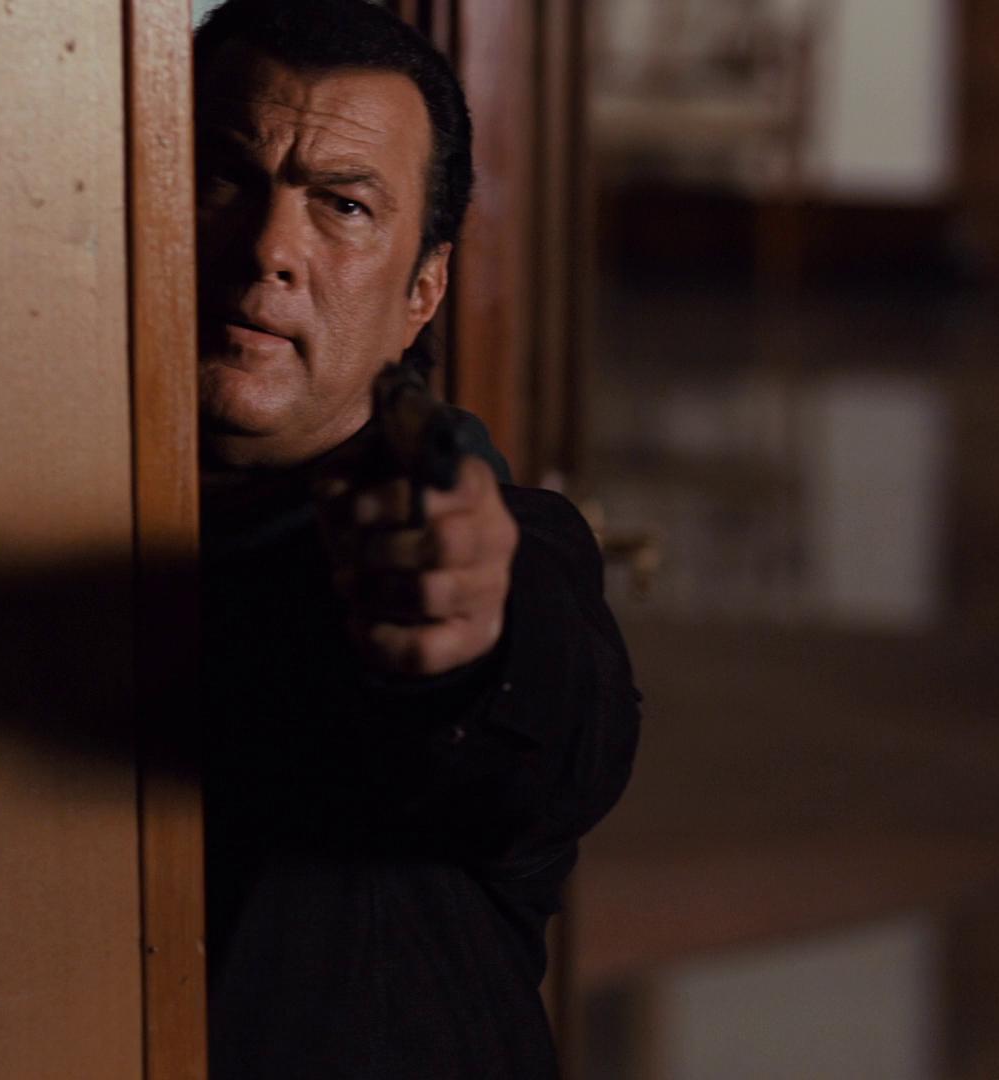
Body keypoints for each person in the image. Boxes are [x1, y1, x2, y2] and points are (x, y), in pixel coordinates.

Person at [191, 2, 641, 1076]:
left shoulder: (509, 543)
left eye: (343, 206)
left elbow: (548, 726)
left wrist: (468, 638)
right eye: (223, 179)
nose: (270, 249)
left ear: (422, 292)